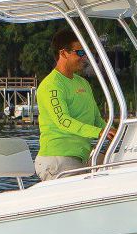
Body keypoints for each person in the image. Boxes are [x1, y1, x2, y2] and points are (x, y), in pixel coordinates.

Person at [34, 29, 111, 180]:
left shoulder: (83, 83)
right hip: (58, 160)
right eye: (80, 53)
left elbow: (96, 119)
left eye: (85, 53)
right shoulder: (52, 85)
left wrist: (111, 131)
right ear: (63, 53)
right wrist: (98, 133)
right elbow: (63, 121)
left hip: (81, 159)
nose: (84, 58)